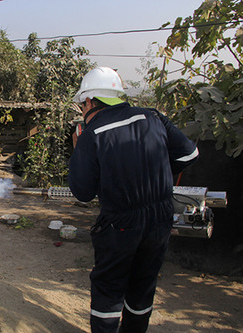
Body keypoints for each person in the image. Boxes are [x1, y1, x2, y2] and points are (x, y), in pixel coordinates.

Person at [68, 67, 199, 332]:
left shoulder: (91, 134)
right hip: (161, 217)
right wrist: (155, 172)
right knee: (143, 284)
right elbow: (190, 154)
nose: (83, 111)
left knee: (109, 288)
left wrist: (77, 149)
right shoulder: (153, 117)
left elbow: (82, 192)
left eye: (82, 105)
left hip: (120, 223)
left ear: (90, 101)